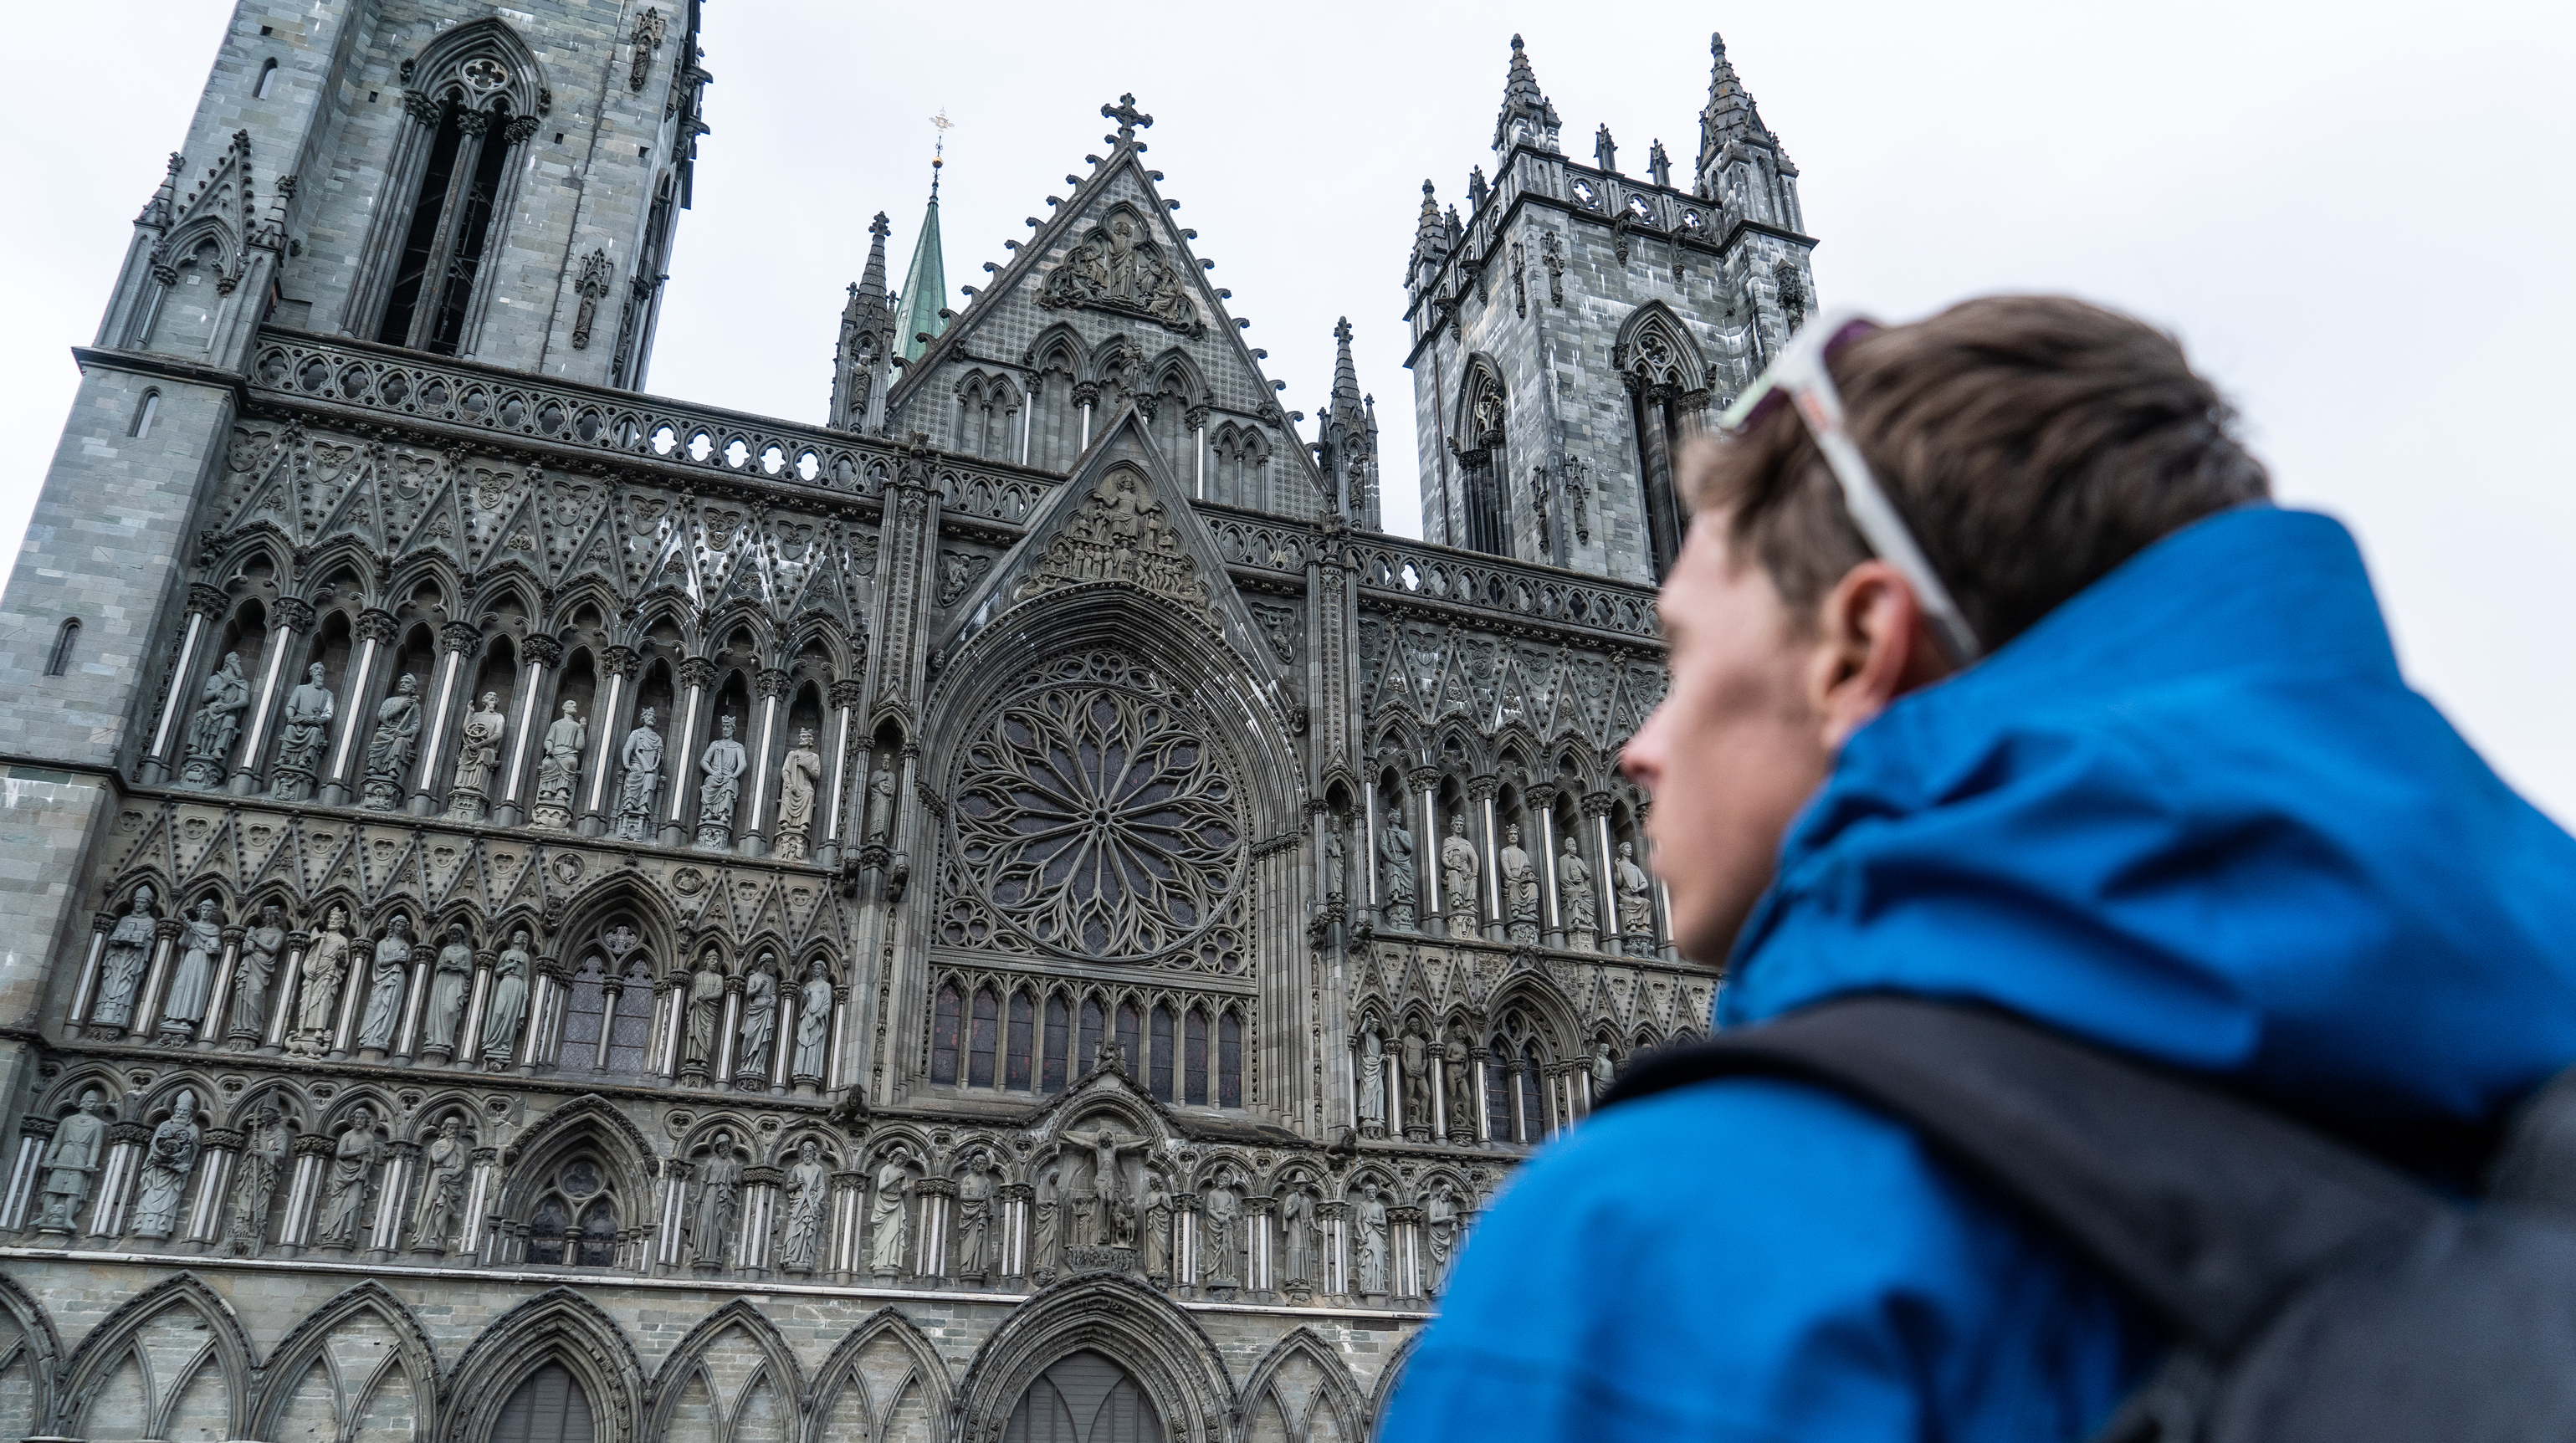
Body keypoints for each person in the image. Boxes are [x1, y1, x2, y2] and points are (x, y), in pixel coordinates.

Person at [1382, 297, 2576, 1441]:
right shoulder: (2525, 1042)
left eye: (1683, 656)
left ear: (1859, 644)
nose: (1639, 744)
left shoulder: (1651, 1253)